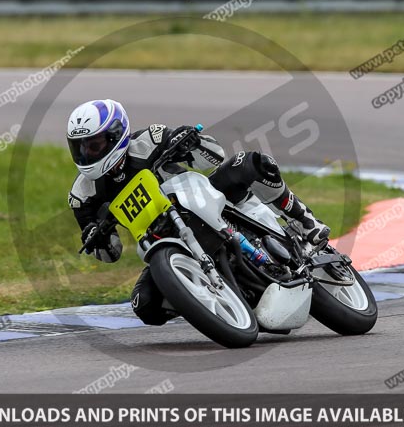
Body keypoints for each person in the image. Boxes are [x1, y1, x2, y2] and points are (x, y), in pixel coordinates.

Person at [66, 99, 330, 325]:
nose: (86, 153)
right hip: (162, 239)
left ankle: (305, 221)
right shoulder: (82, 195)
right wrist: (96, 237)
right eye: (80, 147)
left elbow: (214, 155)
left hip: (202, 199)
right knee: (144, 306)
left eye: (94, 144)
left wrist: (191, 142)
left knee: (251, 163)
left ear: (115, 134)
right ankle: (213, 303)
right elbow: (109, 253)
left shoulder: (150, 139)